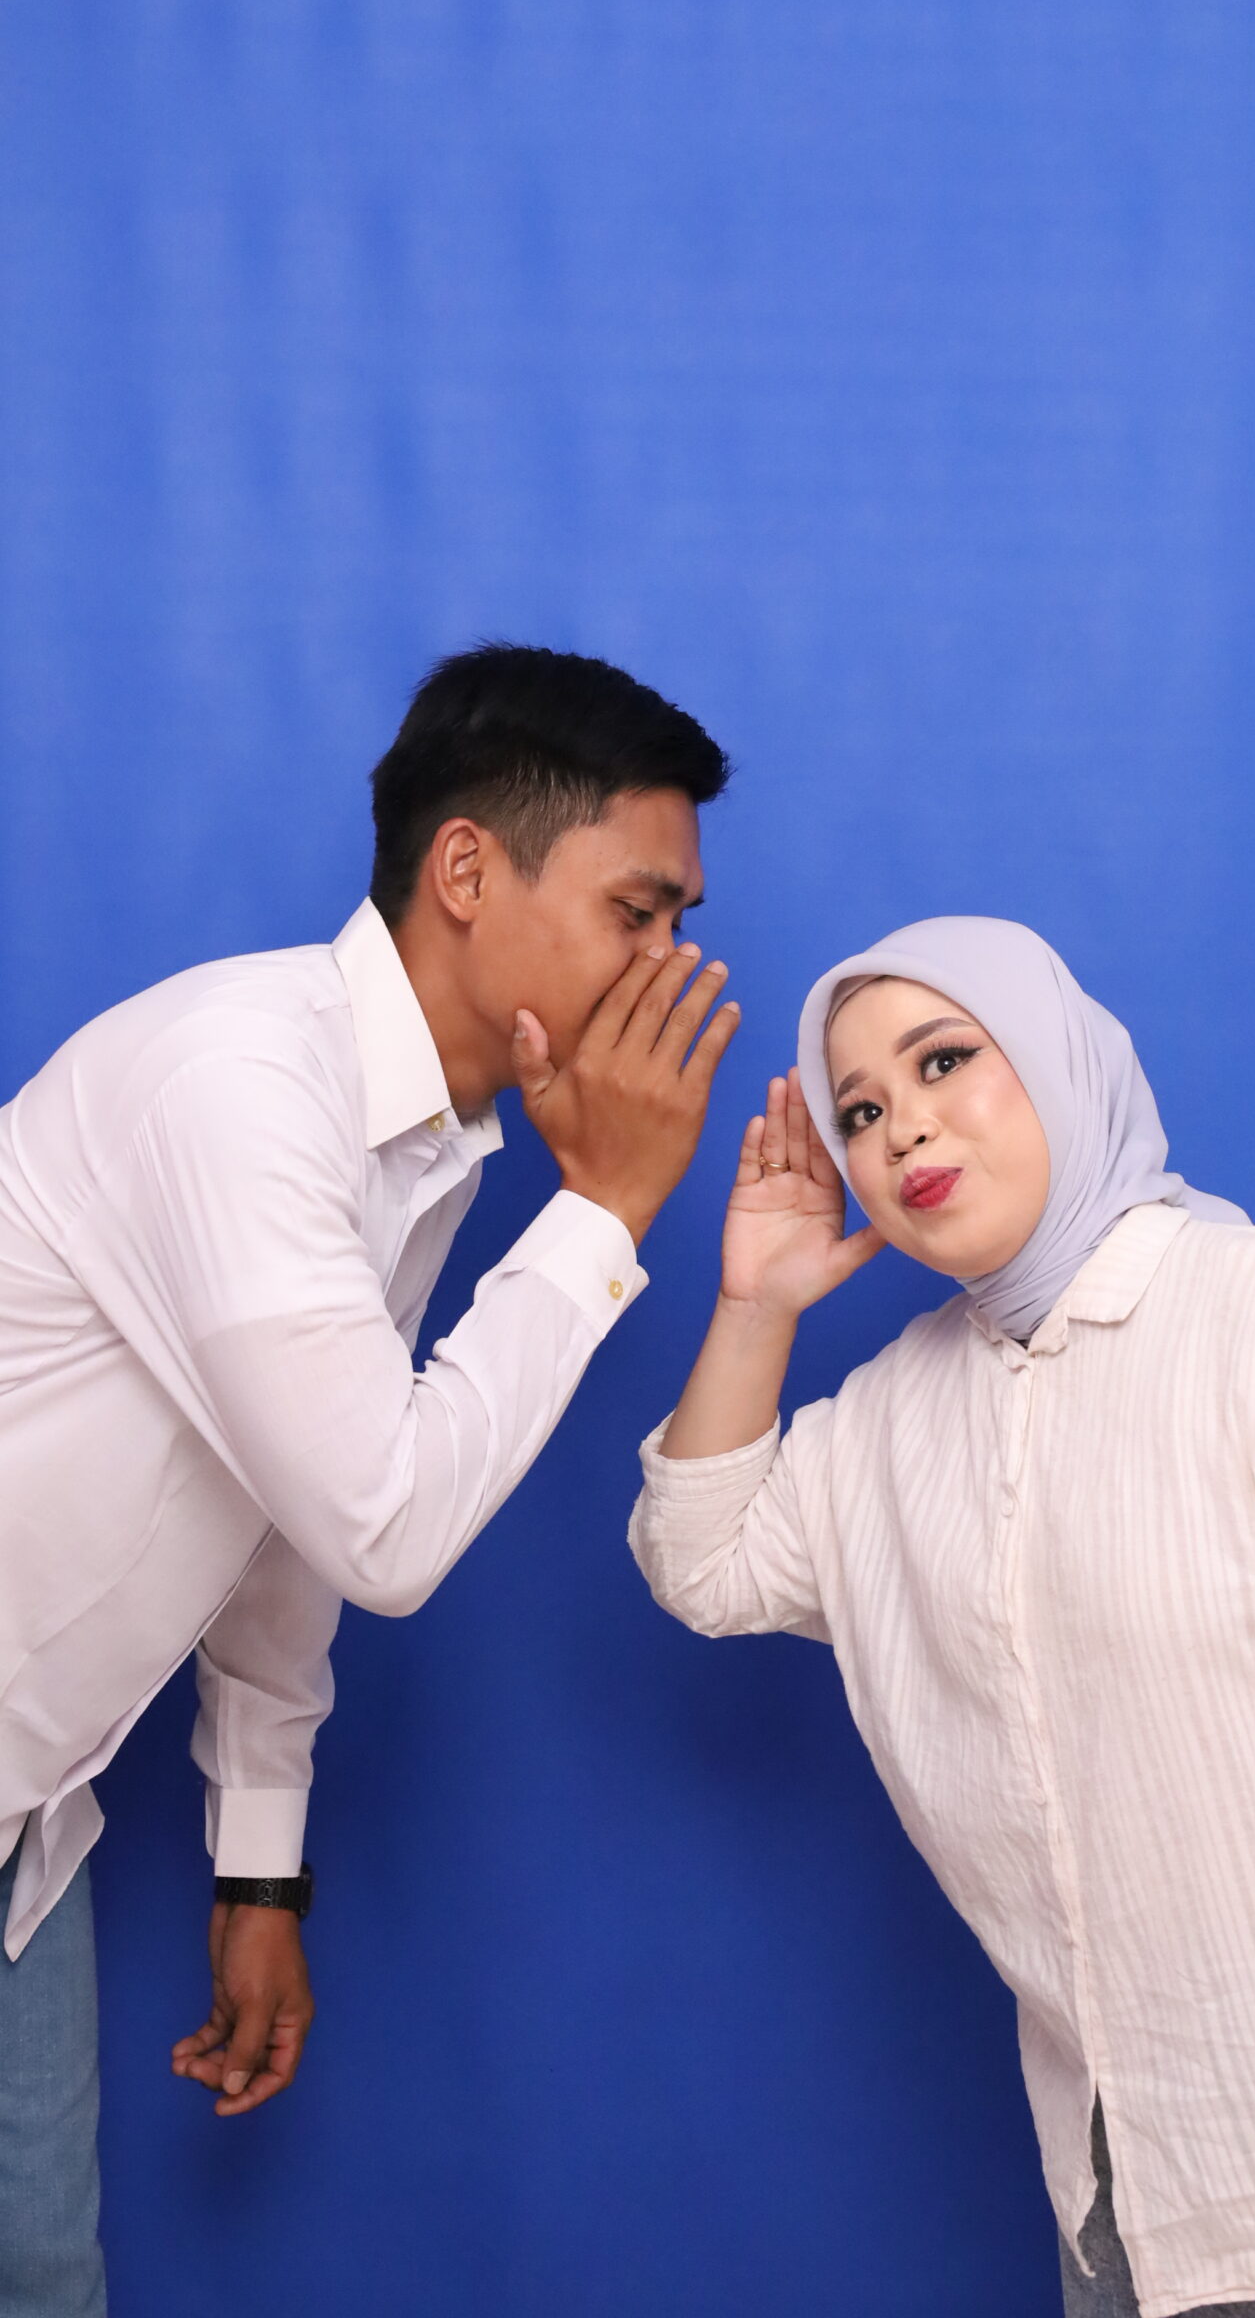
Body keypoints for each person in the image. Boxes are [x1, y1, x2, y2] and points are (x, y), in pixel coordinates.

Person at [631, 915, 1255, 2318]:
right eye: (857, 1111)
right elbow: (702, 1560)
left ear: (1061, 1061)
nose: (902, 1126)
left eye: (945, 1061)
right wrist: (756, 1308)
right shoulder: (892, 1419)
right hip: (1120, 2181)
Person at [0, 643, 741, 2317]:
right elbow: (384, 1526)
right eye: (637, 913)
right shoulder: (247, 1086)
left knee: (42, 2277)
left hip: (25, 1814)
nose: (672, 969)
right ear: (466, 870)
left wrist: (259, 1863)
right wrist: (604, 1214)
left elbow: (289, 1517)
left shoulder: (421, 1144)